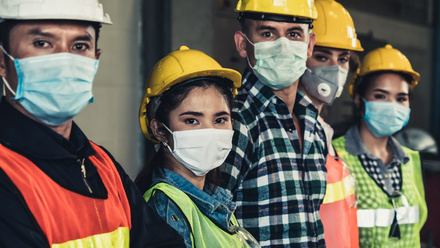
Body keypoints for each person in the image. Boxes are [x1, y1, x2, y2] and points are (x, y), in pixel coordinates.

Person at [0, 0, 185, 247]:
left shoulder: (101, 163)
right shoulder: (7, 170)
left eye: (79, 46)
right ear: (3, 60)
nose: (64, 62)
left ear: (95, 60)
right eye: (42, 43)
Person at [221, 0, 329, 247]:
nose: (283, 46)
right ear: (242, 44)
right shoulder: (235, 120)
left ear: (309, 45)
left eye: (293, 34)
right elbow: (209, 220)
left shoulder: (313, 123)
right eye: (268, 33)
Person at [136, 46, 260, 248]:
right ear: (159, 129)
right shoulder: (166, 208)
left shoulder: (215, 201)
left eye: (220, 119)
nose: (209, 132)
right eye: (192, 120)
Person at [332, 44, 428, 247]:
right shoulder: (334, 156)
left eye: (401, 98)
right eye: (380, 96)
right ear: (359, 100)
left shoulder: (410, 160)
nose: (392, 105)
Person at [298, 0, 363, 247]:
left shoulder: (323, 130)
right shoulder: (289, 128)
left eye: (343, 58)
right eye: (322, 56)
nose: (335, 69)